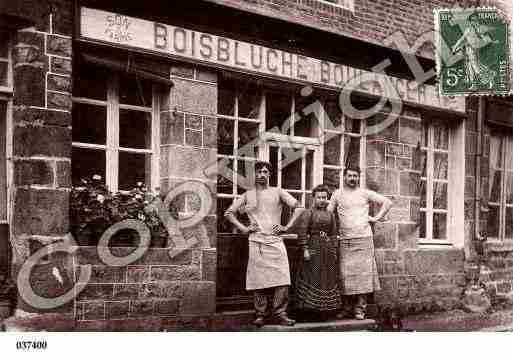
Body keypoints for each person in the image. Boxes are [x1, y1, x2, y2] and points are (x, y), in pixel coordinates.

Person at [224, 161, 304, 327]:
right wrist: (244, 228)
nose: (261, 175)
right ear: (254, 175)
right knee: (258, 279)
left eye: (265, 172)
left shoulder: (278, 192)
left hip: (275, 241)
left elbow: (299, 207)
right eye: (259, 172)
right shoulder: (248, 195)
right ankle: (260, 314)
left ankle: (280, 313)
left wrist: (286, 226)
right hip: (257, 241)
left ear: (270, 175)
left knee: (282, 278)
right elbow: (229, 213)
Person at [328, 166, 392, 320]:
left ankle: (360, 309)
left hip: (364, 238)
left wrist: (376, 218)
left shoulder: (364, 193)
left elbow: (387, 202)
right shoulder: (337, 194)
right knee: (345, 275)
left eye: (355, 176)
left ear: (359, 177)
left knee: (363, 276)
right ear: (344, 177)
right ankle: (347, 308)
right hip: (345, 239)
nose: (352, 178)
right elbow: (328, 212)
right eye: (349, 176)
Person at [295, 184, 342, 320]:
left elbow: (334, 234)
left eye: (324, 197)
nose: (322, 200)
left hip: (327, 251)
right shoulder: (308, 213)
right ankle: (309, 311)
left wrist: (334, 249)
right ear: (314, 198)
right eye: (319, 197)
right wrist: (305, 249)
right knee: (313, 277)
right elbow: (302, 232)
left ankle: (324, 311)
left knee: (326, 279)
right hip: (313, 248)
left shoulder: (330, 215)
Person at [451, 12, 499, 90]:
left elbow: (485, 38)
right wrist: (455, 47)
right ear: (470, 21)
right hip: (468, 50)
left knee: (476, 68)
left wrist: (492, 41)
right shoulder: (468, 30)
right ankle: (474, 85)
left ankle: (489, 80)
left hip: (473, 50)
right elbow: (462, 39)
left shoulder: (478, 29)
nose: (475, 21)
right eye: (473, 20)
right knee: (471, 68)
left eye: (476, 20)